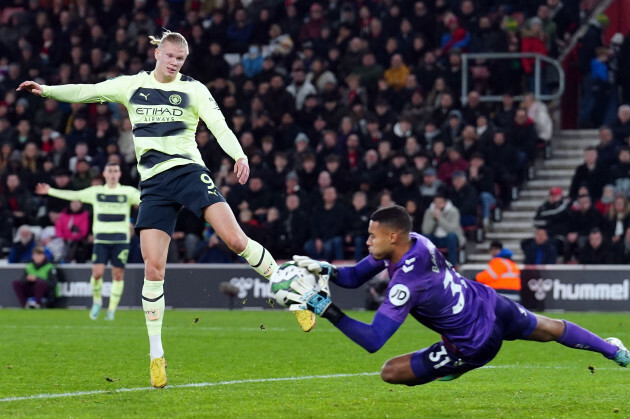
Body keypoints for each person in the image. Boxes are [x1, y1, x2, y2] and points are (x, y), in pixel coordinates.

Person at [18, 30, 313, 389]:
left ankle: (295, 299)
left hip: (189, 172)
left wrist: (238, 154)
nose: (174, 63)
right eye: (170, 56)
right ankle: (157, 356)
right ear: (158, 52)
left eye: (180, 59)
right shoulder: (132, 86)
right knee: (153, 267)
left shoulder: (195, 89)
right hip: (154, 186)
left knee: (236, 239)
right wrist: (47, 90)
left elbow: (218, 125)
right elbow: (88, 90)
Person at [284, 205, 629, 387]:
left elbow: (374, 340)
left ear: (392, 236)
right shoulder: (417, 240)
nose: (367, 241)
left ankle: (457, 365)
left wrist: (325, 308)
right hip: (490, 303)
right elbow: (355, 275)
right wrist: (326, 269)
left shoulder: (406, 282)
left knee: (390, 373)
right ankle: (615, 351)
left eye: (372, 236)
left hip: (473, 343)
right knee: (551, 328)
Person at [36, 162, 140, 321]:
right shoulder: (95, 192)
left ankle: (111, 310)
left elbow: (146, 201)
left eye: (115, 171)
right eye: (110, 171)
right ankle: (97, 301)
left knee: (117, 275)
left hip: (120, 239)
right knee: (97, 274)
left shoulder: (128, 192)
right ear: (104, 174)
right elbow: (74, 195)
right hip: (101, 239)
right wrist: (50, 191)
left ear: (119, 174)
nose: (112, 174)